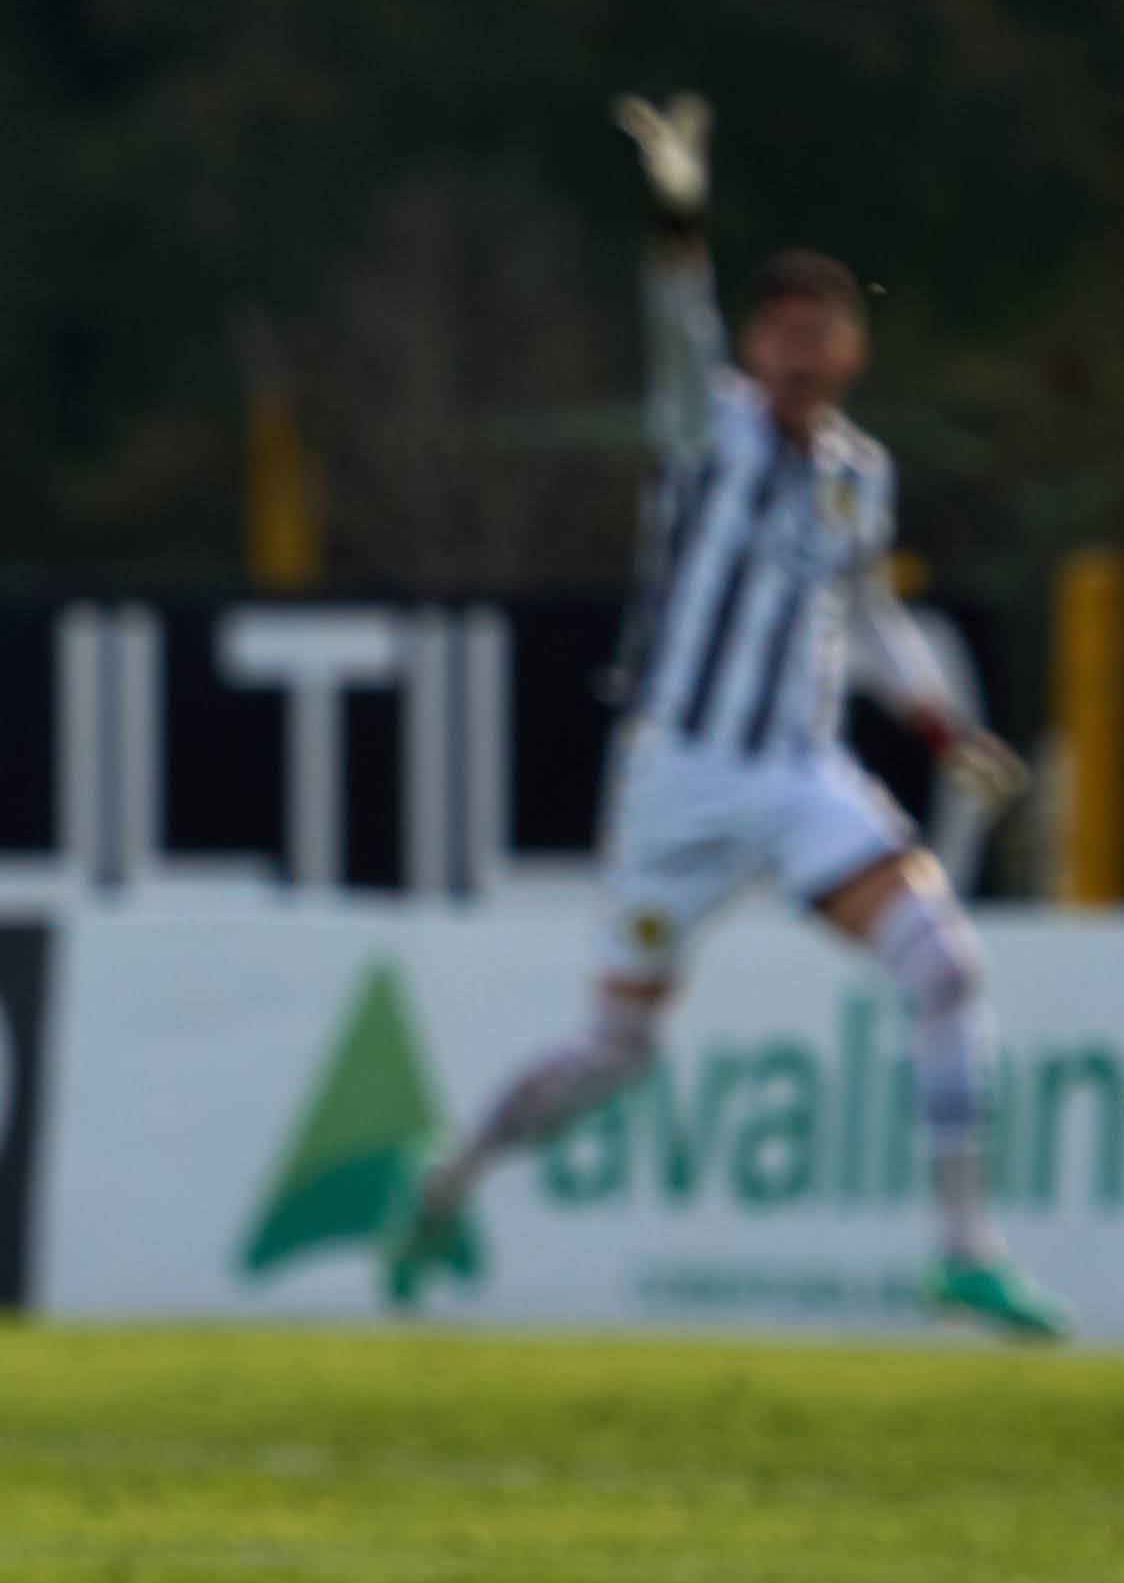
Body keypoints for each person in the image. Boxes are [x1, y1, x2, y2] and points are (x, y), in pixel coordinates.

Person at [382, 92, 1070, 1341]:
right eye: (781, 332)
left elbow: (863, 615)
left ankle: (965, 1247)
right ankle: (446, 1179)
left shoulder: (860, 477)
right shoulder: (706, 429)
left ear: (851, 352)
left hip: (799, 774)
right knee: (616, 1058)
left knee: (945, 967)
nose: (800, 352)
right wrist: (676, 212)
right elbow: (667, 320)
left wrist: (936, 725)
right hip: (677, 779)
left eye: (823, 333)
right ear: (756, 347)